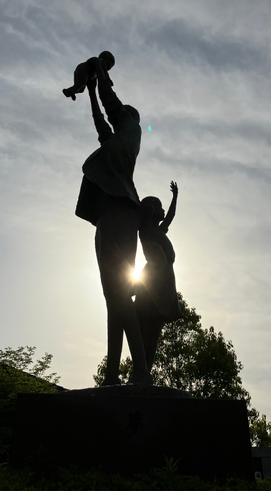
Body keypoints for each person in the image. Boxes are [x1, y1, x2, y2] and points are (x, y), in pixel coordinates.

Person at [75, 56, 152, 386]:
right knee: (112, 297)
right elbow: (100, 121)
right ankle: (111, 375)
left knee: (120, 294)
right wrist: (90, 89)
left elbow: (111, 106)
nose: (119, 115)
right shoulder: (115, 141)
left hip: (122, 211)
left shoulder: (132, 130)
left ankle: (140, 371)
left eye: (123, 114)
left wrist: (100, 71)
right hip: (107, 215)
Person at [135, 181, 182, 372]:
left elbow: (170, 217)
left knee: (154, 330)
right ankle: (141, 368)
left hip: (164, 281)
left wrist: (175, 197)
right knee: (146, 325)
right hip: (153, 280)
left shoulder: (158, 230)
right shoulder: (146, 229)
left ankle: (145, 369)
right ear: (152, 211)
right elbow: (143, 209)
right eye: (160, 208)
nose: (163, 212)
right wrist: (147, 208)